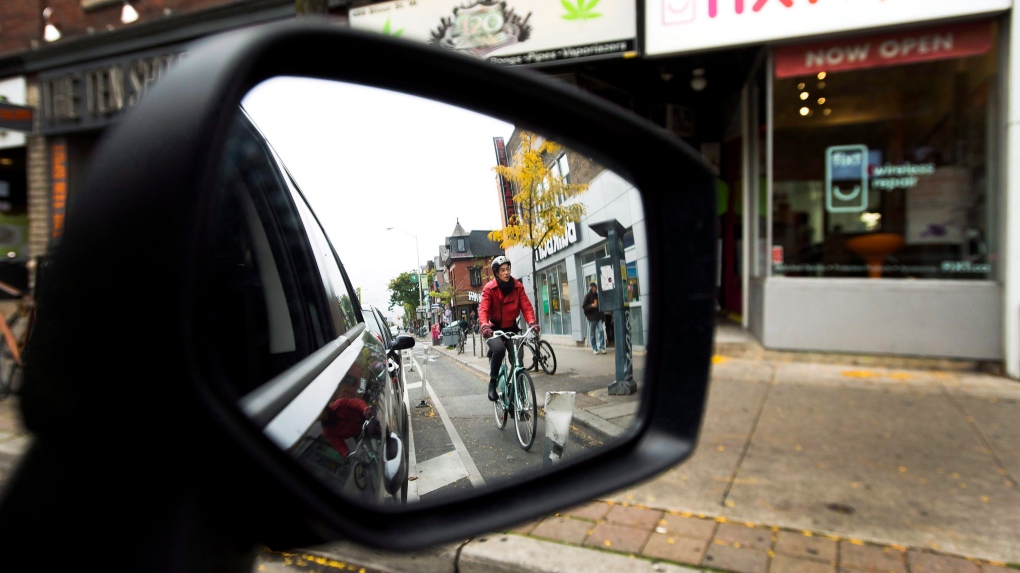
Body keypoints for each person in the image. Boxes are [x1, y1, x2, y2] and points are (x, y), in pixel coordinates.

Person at [478, 255, 539, 401]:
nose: (506, 272)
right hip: (494, 329)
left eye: (508, 269)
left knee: (517, 359)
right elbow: (483, 309)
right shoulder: (489, 288)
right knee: (499, 349)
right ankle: (492, 383)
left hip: (511, 328)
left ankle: (520, 396)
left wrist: (532, 322)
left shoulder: (517, 287)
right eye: (502, 270)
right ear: (496, 273)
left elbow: (526, 307)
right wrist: (485, 325)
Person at [582, 282, 607, 354]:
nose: (596, 288)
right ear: (592, 288)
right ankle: (594, 347)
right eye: (594, 287)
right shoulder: (587, 296)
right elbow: (584, 307)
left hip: (598, 316)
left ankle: (602, 346)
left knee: (601, 331)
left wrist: (602, 317)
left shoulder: (597, 295)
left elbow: (600, 306)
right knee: (592, 333)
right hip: (592, 318)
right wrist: (591, 306)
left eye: (596, 287)